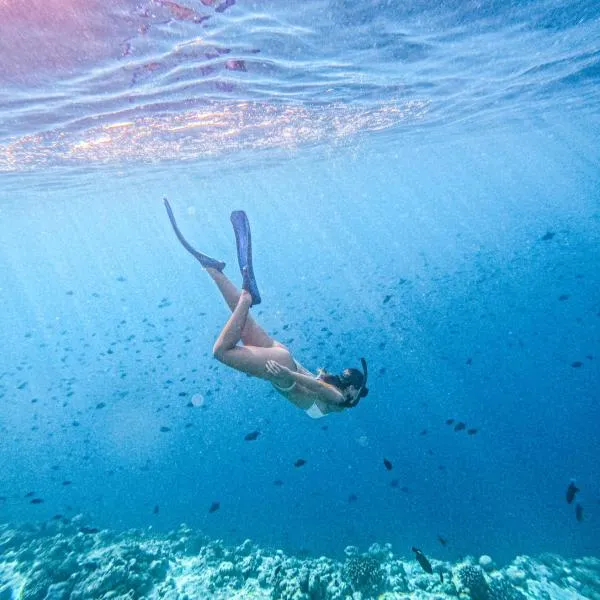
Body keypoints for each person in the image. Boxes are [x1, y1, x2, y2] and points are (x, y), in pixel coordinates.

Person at [163, 198, 369, 419]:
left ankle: (213, 269)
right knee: (221, 352)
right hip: (282, 367)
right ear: (353, 390)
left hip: (281, 356)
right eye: (356, 391)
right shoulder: (338, 400)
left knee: (243, 323)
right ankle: (246, 297)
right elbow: (318, 389)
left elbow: (320, 387)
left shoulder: (340, 398)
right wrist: (288, 373)